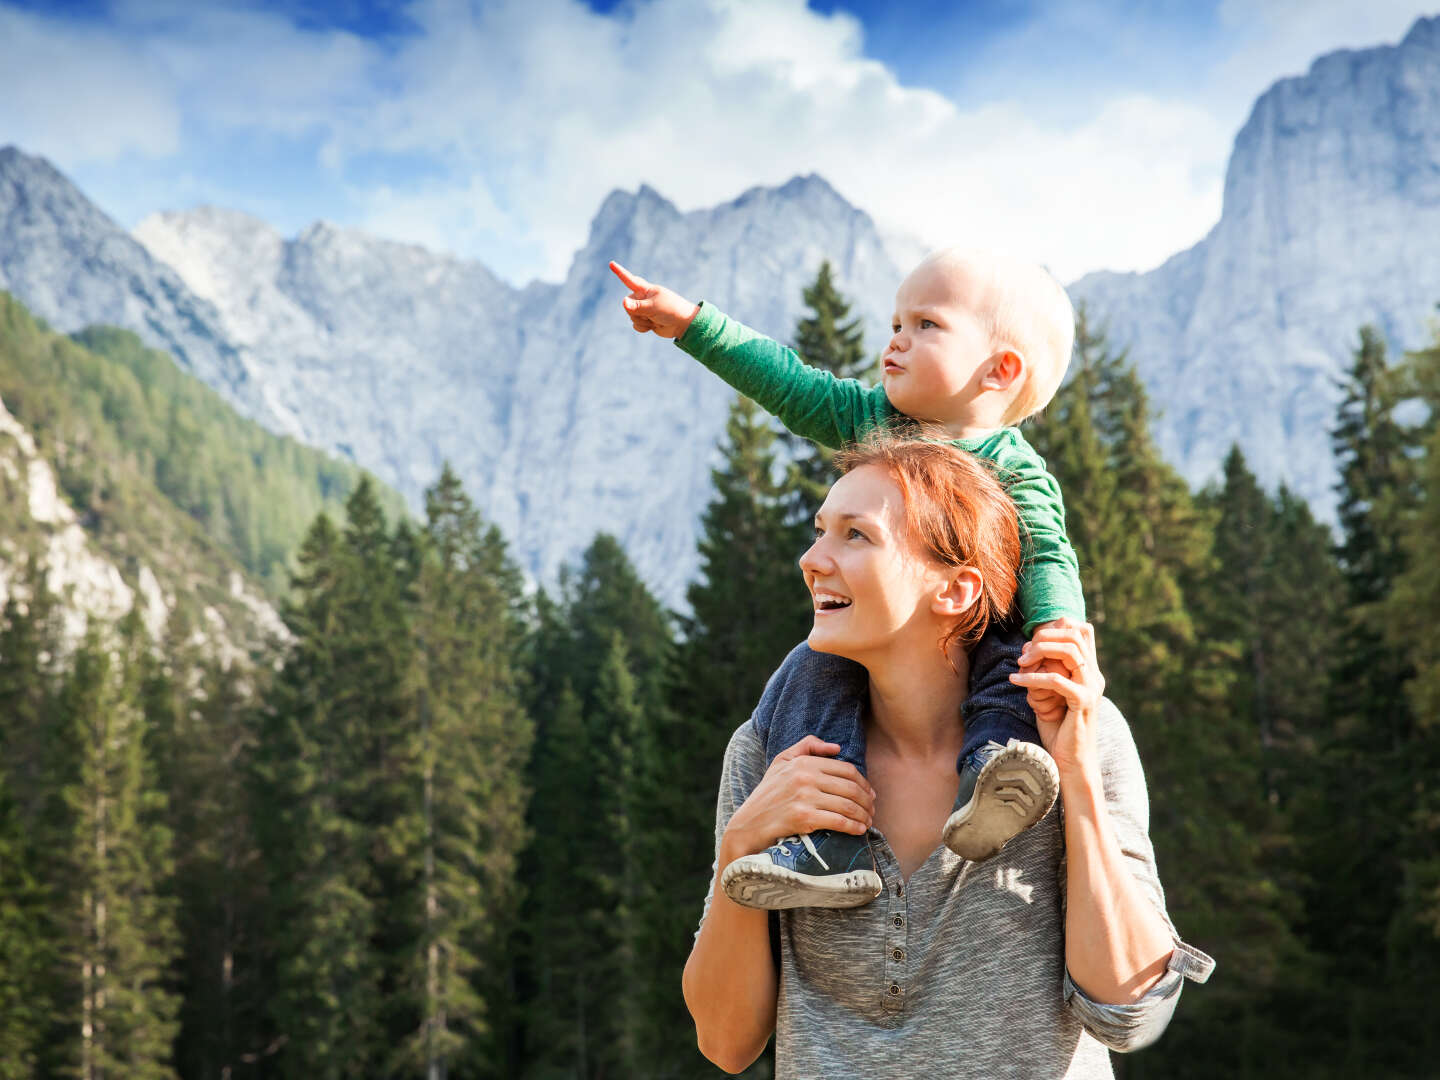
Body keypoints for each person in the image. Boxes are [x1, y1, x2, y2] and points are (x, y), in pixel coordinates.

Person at [681, 436, 1213, 1078]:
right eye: (820, 531)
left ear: (957, 590)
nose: (811, 559)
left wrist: (1075, 780)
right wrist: (740, 846)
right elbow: (726, 1041)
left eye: (856, 535)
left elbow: (1128, 1014)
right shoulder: (772, 753)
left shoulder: (1073, 735)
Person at [612, 250, 1081, 905]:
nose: (896, 338)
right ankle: (827, 841)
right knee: (812, 672)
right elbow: (788, 382)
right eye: (896, 321)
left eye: (926, 325)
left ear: (1000, 370)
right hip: (873, 636)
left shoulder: (1016, 470)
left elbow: (1050, 559)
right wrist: (693, 324)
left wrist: (1060, 629)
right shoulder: (872, 421)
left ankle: (990, 779)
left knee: (1011, 663)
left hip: (974, 631)